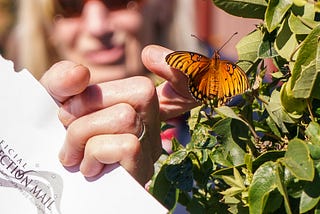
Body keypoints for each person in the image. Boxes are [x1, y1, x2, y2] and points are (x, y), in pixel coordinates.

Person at [39, 44, 198, 186]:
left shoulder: (214, 104)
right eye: (69, 9)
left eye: (117, 8)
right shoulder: (20, 110)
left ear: (162, 10)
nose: (98, 26)